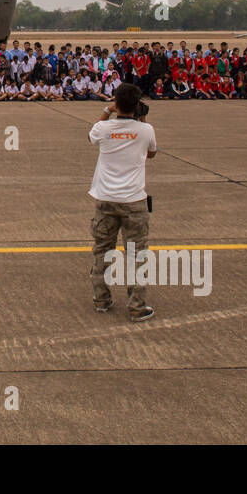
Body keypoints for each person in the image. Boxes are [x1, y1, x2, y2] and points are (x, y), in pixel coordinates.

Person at [88, 84, 157, 322]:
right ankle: (137, 306)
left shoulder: (103, 128)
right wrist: (142, 118)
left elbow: (91, 136)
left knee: (102, 250)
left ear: (116, 103)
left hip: (106, 198)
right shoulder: (146, 130)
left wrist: (107, 110)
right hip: (133, 200)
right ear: (137, 106)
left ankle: (101, 299)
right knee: (137, 254)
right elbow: (151, 153)